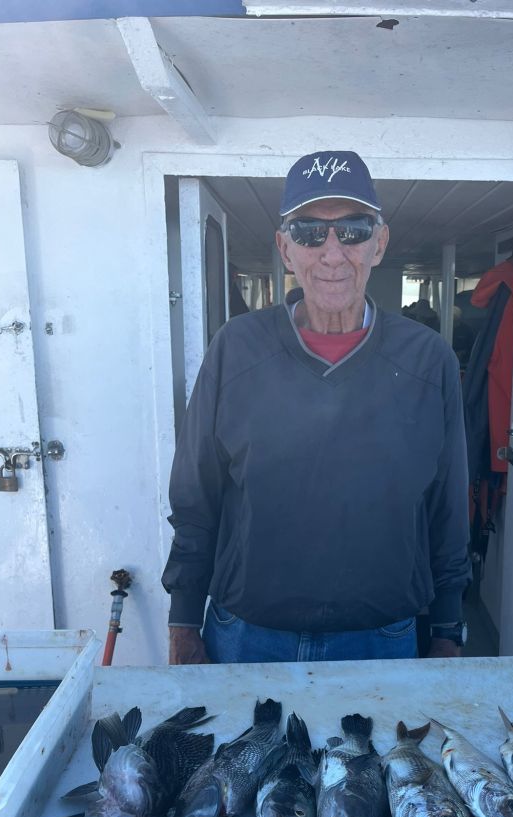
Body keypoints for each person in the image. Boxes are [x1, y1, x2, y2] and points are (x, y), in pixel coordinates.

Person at [163, 150, 471, 665]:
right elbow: (196, 496)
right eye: (310, 232)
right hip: (246, 637)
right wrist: (183, 620)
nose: (332, 252)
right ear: (286, 249)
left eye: (352, 229)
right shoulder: (234, 348)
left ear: (380, 243)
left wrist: (447, 627)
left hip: (383, 640)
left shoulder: (429, 358)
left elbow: (448, 506)